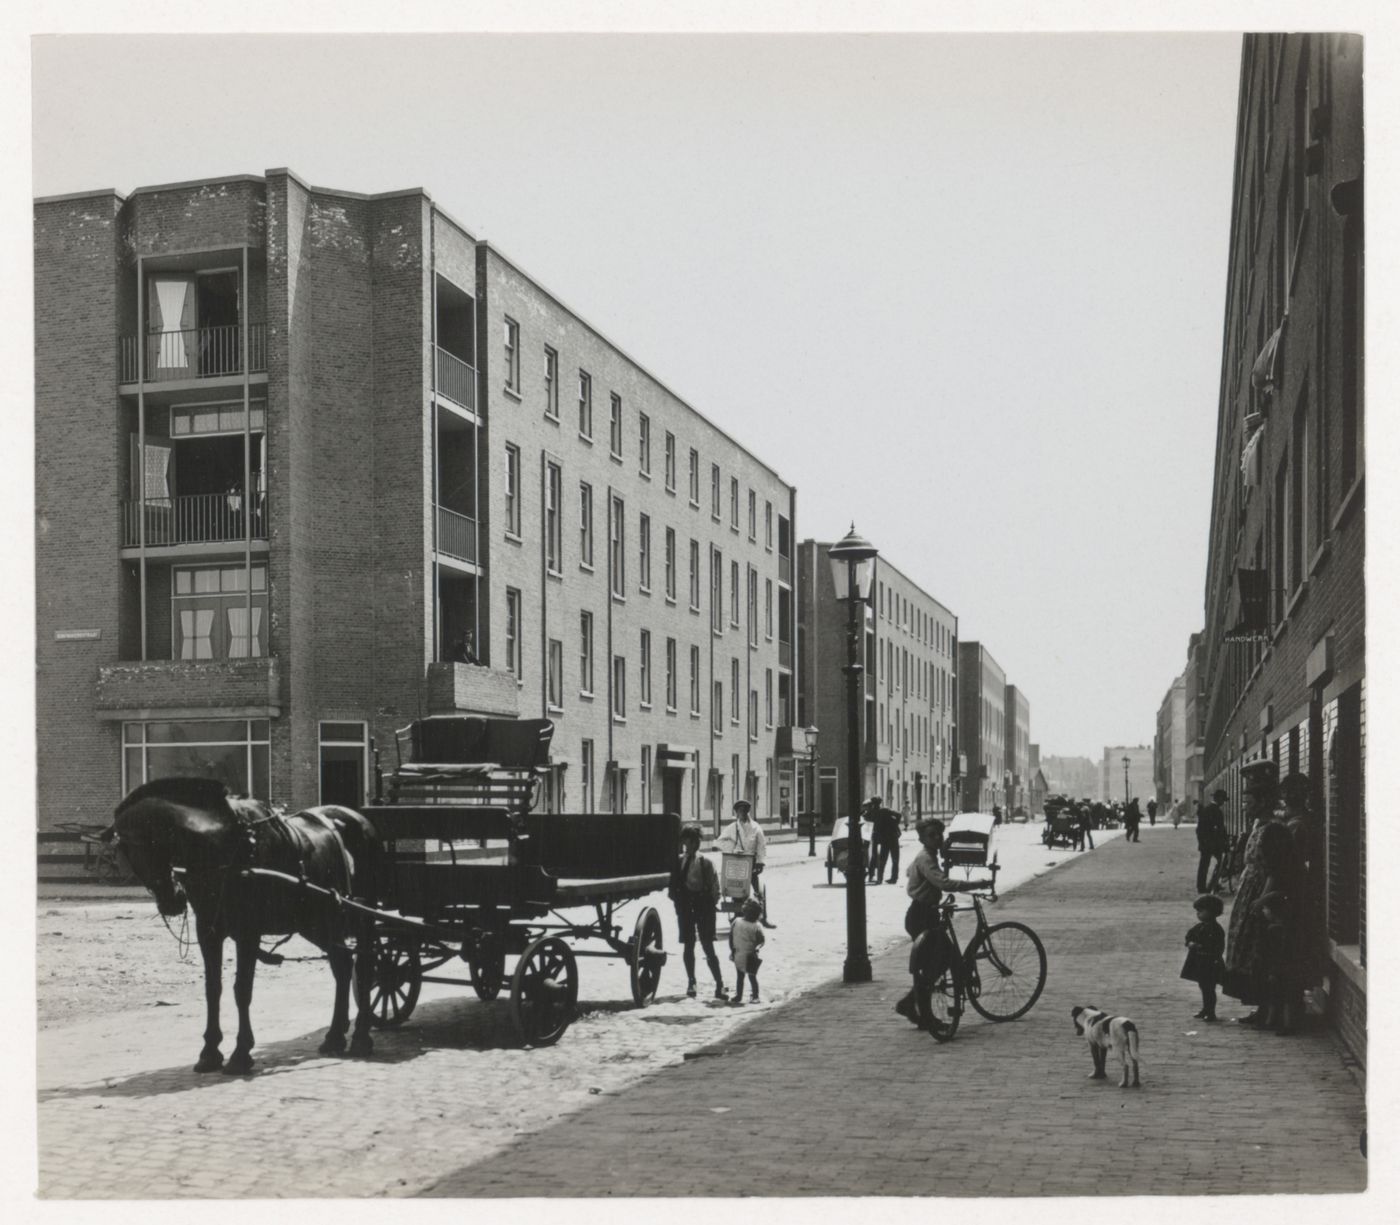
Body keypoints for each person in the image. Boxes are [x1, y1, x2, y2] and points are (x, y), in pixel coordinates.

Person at [892, 818, 994, 1026]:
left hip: (926, 914)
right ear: (921, 838)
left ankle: (910, 1004)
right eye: (931, 835)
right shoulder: (925, 858)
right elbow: (943, 883)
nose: (937, 838)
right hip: (922, 916)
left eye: (939, 834)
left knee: (941, 962)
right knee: (938, 964)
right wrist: (978, 883)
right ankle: (924, 1015)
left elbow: (914, 874)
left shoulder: (928, 856)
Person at [1222, 760, 1289, 1023]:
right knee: (1248, 951)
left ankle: (1268, 1010)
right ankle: (1261, 1007)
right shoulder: (1258, 826)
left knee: (1260, 952)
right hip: (1250, 892)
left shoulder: (1273, 829)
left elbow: (1275, 869)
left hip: (1261, 895)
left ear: (1262, 801)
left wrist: (1262, 900)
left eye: (1249, 801)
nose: (1245, 806)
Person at [668, 824, 729, 1001]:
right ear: (684, 842)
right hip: (686, 905)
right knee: (688, 944)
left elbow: (715, 889)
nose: (693, 844)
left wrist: (709, 904)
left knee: (707, 944)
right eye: (689, 841)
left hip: (704, 906)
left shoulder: (706, 862)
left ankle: (719, 984)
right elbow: (673, 888)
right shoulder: (679, 862)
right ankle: (691, 982)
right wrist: (680, 901)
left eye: (696, 841)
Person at [717, 800, 775, 928]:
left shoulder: (756, 827)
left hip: (752, 863)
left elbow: (761, 846)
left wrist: (760, 863)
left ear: (748, 812)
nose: (743, 813)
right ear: (736, 813)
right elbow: (719, 842)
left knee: (759, 891)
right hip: (737, 862)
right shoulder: (732, 828)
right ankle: (737, 917)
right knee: (737, 890)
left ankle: (763, 918)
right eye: (740, 811)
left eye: (745, 811)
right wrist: (732, 849)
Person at [1181, 893, 1225, 1021]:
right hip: (1201, 962)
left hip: (1209, 962)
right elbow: (1189, 936)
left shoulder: (1216, 929)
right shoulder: (1200, 927)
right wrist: (1190, 943)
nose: (1198, 914)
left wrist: (1199, 946)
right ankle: (1206, 1009)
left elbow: (1217, 947)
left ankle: (1210, 1011)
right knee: (1204, 986)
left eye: (1201, 911)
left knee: (1209, 988)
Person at [728, 897, 765, 1004]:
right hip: (744, 954)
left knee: (747, 976)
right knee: (746, 976)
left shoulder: (740, 922)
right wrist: (733, 950)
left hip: (745, 954)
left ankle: (750, 996)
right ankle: (744, 996)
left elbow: (761, 941)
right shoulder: (742, 922)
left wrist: (732, 950)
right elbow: (761, 941)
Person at [1196, 788, 1229, 893]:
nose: (1223, 802)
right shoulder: (1217, 811)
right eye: (1223, 800)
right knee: (1220, 863)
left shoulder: (1206, 809)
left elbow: (1199, 829)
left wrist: (1201, 842)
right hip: (1214, 844)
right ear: (1218, 799)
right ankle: (1214, 884)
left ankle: (1202, 887)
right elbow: (1220, 829)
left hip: (1206, 843)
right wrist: (1225, 842)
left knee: (1204, 866)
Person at [864, 797, 902, 885]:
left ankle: (880, 879)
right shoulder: (884, 810)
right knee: (894, 859)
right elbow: (899, 815)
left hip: (886, 837)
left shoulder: (875, 812)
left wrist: (894, 824)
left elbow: (866, 819)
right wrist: (895, 824)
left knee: (883, 859)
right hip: (891, 837)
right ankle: (893, 878)